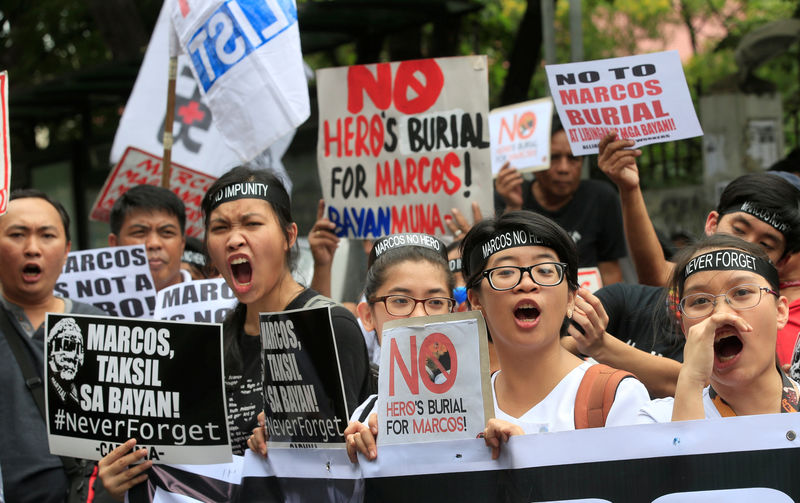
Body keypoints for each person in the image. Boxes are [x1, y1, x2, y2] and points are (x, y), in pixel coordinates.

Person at [98, 166, 373, 499]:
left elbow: (350, 459)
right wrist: (120, 480)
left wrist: (292, 443)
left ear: (288, 236)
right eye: (220, 227)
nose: (234, 239)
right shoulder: (209, 343)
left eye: (253, 224)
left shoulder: (327, 326)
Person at [460, 211, 649, 458]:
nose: (526, 283)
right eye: (505, 272)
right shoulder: (460, 410)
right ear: (476, 301)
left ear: (571, 297)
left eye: (545, 270)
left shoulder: (615, 398)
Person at [0, 189, 105, 503]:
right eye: (17, 235)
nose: (32, 248)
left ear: (67, 249)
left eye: (47, 235)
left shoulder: (102, 327)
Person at [637, 234, 798, 421]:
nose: (721, 315)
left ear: (780, 312)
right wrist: (691, 381)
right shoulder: (656, 420)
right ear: (684, 328)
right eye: (700, 300)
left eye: (742, 292)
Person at [326, 233, 455, 462]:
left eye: (435, 302)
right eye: (400, 301)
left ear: (453, 312)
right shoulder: (363, 418)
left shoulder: (488, 406)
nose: (419, 316)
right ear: (367, 317)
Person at [494, 118, 626, 286]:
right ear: (535, 163)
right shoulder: (508, 196)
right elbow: (500, 268)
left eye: (573, 158)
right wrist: (513, 208)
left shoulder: (601, 198)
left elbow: (611, 272)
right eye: (553, 158)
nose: (563, 168)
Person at [108, 185, 188, 291]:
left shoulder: (212, 302)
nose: (154, 244)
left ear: (182, 244)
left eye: (167, 232)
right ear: (115, 244)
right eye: (139, 232)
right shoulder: (89, 306)